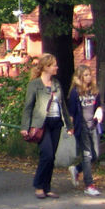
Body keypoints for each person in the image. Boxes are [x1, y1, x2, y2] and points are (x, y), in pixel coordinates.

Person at [21, 54, 72, 199]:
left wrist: (69, 125)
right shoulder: (35, 84)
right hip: (41, 124)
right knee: (47, 154)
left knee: (52, 157)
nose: (57, 67)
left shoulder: (56, 83)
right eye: (54, 65)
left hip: (56, 122)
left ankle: (47, 187)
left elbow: (63, 105)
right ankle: (38, 185)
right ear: (46, 67)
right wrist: (25, 126)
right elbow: (28, 107)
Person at [66, 65, 103, 196]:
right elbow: (71, 112)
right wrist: (70, 127)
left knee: (95, 155)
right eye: (85, 75)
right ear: (79, 77)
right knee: (87, 155)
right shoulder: (75, 92)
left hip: (93, 126)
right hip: (81, 127)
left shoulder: (94, 90)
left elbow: (99, 105)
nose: (88, 77)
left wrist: (99, 111)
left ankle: (76, 168)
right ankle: (89, 185)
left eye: (89, 74)